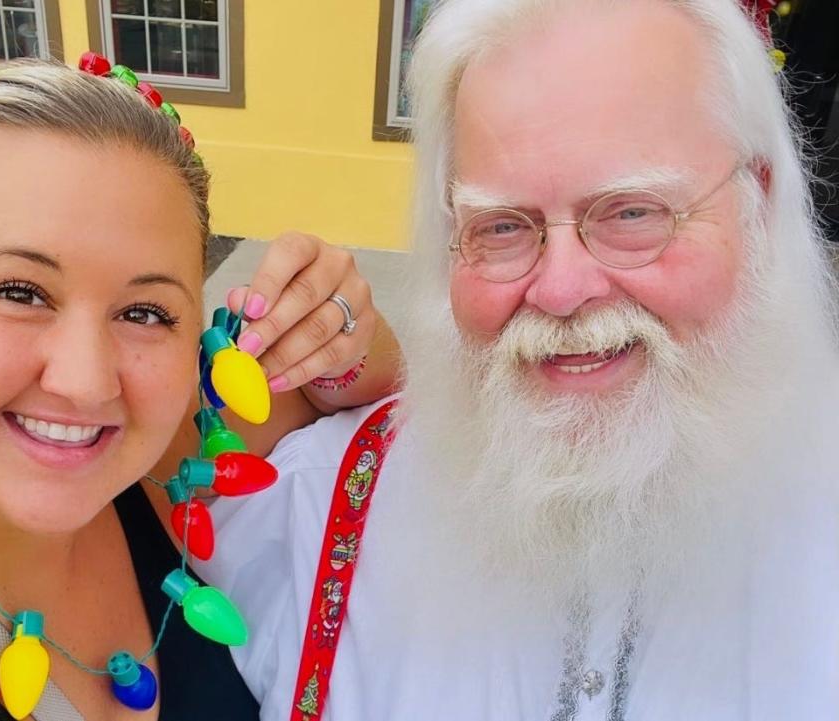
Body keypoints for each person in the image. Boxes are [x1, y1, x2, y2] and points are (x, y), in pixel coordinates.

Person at [201, 0, 839, 718]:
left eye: (633, 212)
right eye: (501, 226)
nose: (562, 289)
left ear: (759, 200)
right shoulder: (325, 511)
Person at [0, 59, 398, 720]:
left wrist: (337, 330)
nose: (87, 384)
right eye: (17, 291)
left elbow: (371, 391)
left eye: (145, 312)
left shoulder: (164, 447)